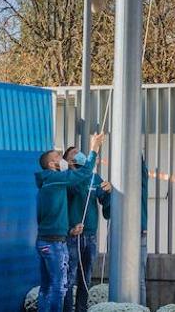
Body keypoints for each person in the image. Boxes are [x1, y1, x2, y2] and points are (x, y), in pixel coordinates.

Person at [35, 132, 103, 312]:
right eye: (58, 156)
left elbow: (52, 216)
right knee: (59, 287)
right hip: (54, 245)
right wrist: (94, 148)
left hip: (46, 240)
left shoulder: (48, 183)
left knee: (46, 287)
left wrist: (70, 231)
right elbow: (86, 171)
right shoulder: (55, 179)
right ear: (52, 164)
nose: (62, 157)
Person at [63, 150, 111, 312]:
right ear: (69, 161)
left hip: (90, 235)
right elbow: (73, 190)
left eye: (80, 152)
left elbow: (106, 205)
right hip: (71, 236)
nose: (79, 154)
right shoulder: (67, 178)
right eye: (74, 153)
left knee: (85, 278)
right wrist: (69, 229)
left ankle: (81, 309)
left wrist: (108, 191)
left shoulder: (94, 178)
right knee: (69, 278)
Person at [102, 155, 149, 304]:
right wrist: (109, 194)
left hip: (137, 234)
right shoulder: (115, 189)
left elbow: (142, 171)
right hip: (122, 236)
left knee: (139, 279)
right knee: (120, 277)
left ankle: (139, 307)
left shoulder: (140, 186)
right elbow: (107, 213)